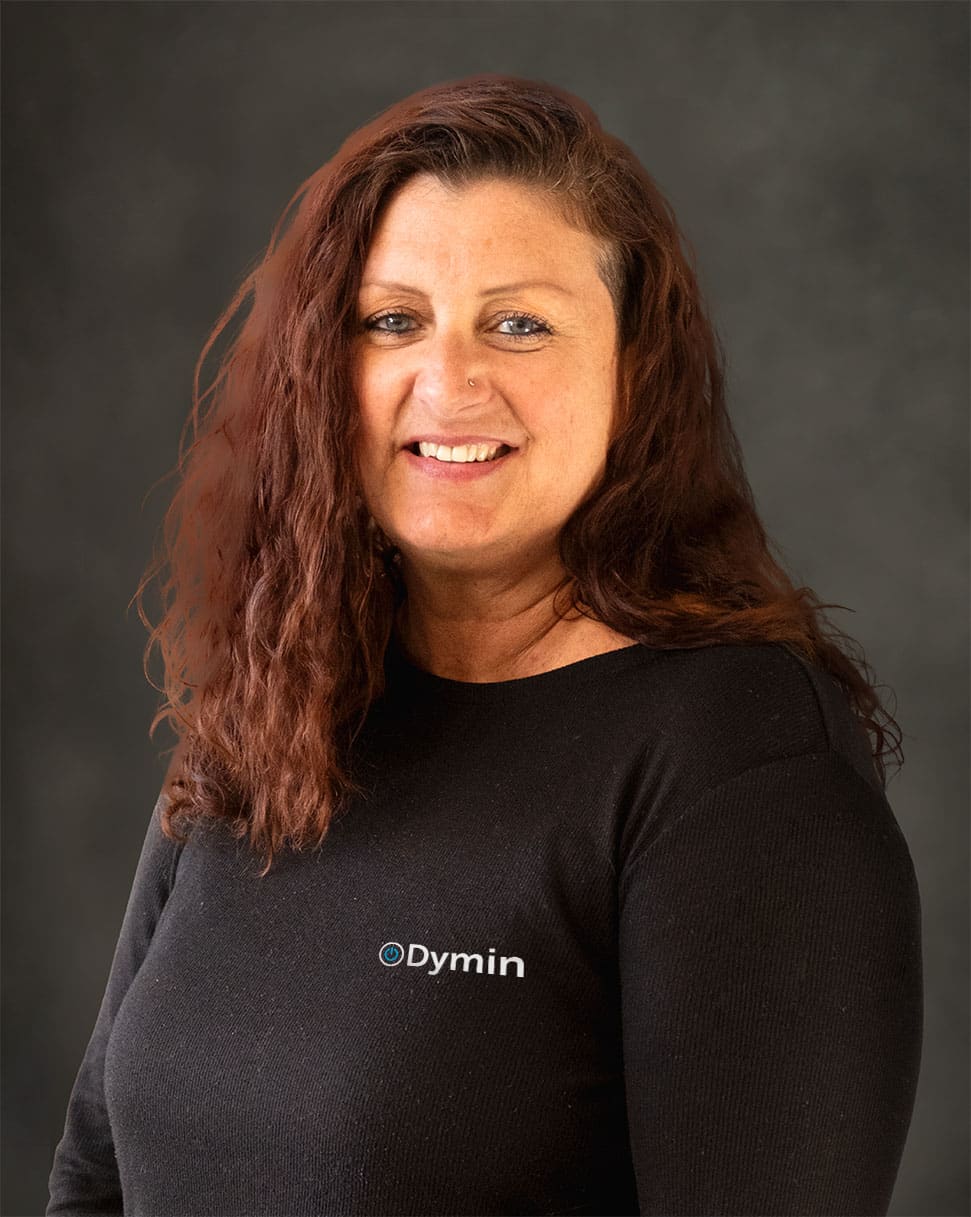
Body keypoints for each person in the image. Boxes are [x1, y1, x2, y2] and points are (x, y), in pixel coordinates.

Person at [47, 74, 922, 1217]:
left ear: (632, 375)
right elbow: (94, 1182)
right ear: (326, 370)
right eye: (391, 320)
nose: (447, 382)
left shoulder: (738, 762)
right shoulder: (275, 706)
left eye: (519, 323)